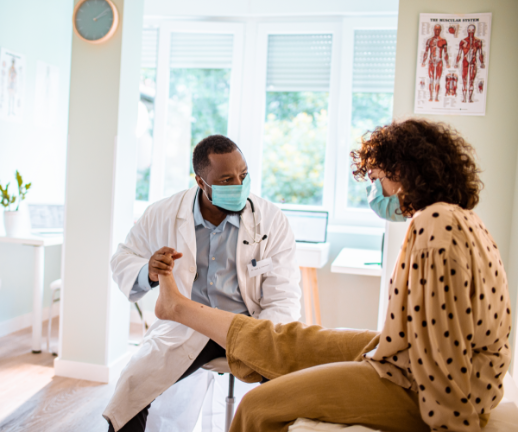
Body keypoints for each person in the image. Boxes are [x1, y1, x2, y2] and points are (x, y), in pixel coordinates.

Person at [152, 120, 512, 432]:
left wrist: (455, 423)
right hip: (403, 352)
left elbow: (444, 356)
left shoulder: (435, 226)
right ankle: (179, 307)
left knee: (258, 405)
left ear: (403, 174)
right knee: (288, 339)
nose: (377, 192)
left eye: (377, 179)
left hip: (415, 379)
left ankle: (179, 308)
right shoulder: (460, 219)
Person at [103, 135, 301, 431]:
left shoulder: (271, 221)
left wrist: (267, 340)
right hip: (189, 326)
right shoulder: (164, 213)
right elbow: (123, 257)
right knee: (130, 391)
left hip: (249, 326)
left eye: (243, 175)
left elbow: (282, 297)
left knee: (293, 393)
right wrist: (149, 270)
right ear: (200, 181)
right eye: (226, 180)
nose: (239, 185)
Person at [455, 24, 485, 103]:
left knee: (471, 80)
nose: (471, 33)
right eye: (469, 31)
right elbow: (459, 53)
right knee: (464, 79)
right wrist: (456, 63)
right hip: (465, 61)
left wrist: (482, 63)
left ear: (474, 31)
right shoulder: (463, 41)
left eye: (472, 31)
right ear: (467, 31)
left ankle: (469, 98)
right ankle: (464, 98)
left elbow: (480, 54)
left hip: (473, 62)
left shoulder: (478, 42)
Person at [422, 24, 450, 102]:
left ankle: (436, 97)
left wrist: (447, 63)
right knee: (431, 79)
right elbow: (426, 52)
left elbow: (445, 53)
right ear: (433, 30)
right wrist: (423, 61)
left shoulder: (443, 41)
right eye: (435, 29)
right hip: (431, 61)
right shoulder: (429, 40)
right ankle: (430, 96)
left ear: (440, 30)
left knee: (437, 80)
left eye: (438, 29)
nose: (437, 31)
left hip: (439, 62)